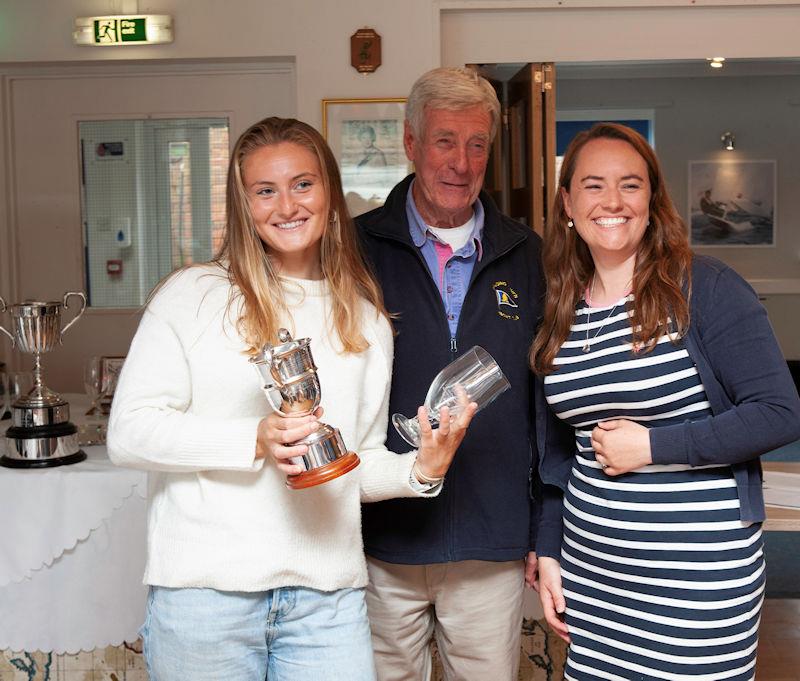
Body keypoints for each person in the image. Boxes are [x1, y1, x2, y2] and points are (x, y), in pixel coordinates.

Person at [107, 116, 476, 681]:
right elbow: (129, 432)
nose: (287, 205)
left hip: (327, 603)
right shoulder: (194, 296)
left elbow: (352, 464)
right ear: (244, 206)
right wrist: (253, 439)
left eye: (303, 184)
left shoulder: (365, 318)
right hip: (206, 599)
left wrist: (420, 471)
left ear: (330, 195)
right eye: (265, 190)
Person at [531, 122, 800, 680]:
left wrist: (653, 446)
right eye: (593, 185)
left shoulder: (704, 287)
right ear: (567, 203)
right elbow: (558, 455)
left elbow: (780, 411)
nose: (612, 202)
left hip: (698, 577)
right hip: (594, 573)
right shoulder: (559, 310)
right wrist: (549, 550)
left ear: (652, 200)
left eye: (630, 185)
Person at [356, 67, 569, 681]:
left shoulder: (529, 255)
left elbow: (546, 405)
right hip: (384, 537)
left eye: (477, 144)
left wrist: (541, 525)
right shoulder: (354, 250)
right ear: (410, 143)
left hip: (490, 535)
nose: (461, 161)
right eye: (445, 140)